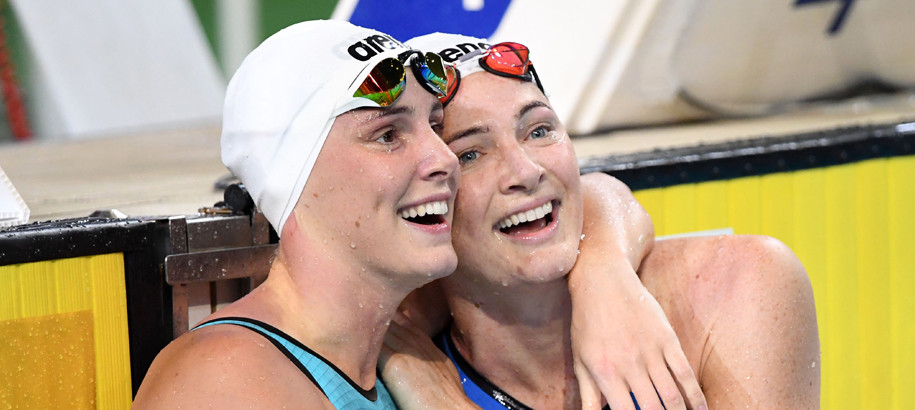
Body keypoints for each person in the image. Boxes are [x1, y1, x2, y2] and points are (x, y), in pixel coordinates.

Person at [379, 33, 821, 410]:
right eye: (470, 154)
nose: (527, 170)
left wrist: (604, 270)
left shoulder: (737, 287)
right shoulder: (393, 350)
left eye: (538, 130)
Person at [133, 21, 478, 408]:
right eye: (387, 135)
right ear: (293, 175)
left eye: (435, 126)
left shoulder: (404, 368)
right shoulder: (227, 381)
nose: (445, 159)